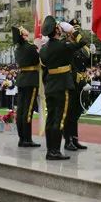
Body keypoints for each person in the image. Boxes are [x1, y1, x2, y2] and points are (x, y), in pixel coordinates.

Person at [38, 16, 88, 161]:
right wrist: (72, 30)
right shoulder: (63, 46)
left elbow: (45, 70)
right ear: (57, 30)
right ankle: (55, 151)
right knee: (59, 119)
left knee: (50, 119)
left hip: (50, 86)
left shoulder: (44, 49)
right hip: (62, 86)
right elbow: (83, 42)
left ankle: (50, 150)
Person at [12, 26, 41, 148]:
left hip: (22, 79)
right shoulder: (30, 47)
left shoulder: (17, 49)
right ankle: (27, 139)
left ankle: (22, 138)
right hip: (31, 79)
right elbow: (38, 60)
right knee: (28, 110)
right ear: (23, 36)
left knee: (21, 110)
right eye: (24, 32)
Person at [63, 18, 89, 152]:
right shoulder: (67, 45)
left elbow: (87, 55)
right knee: (69, 113)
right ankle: (68, 140)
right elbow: (71, 67)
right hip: (72, 82)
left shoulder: (79, 46)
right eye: (74, 31)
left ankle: (75, 139)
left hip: (81, 83)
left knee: (76, 113)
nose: (76, 34)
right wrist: (81, 80)